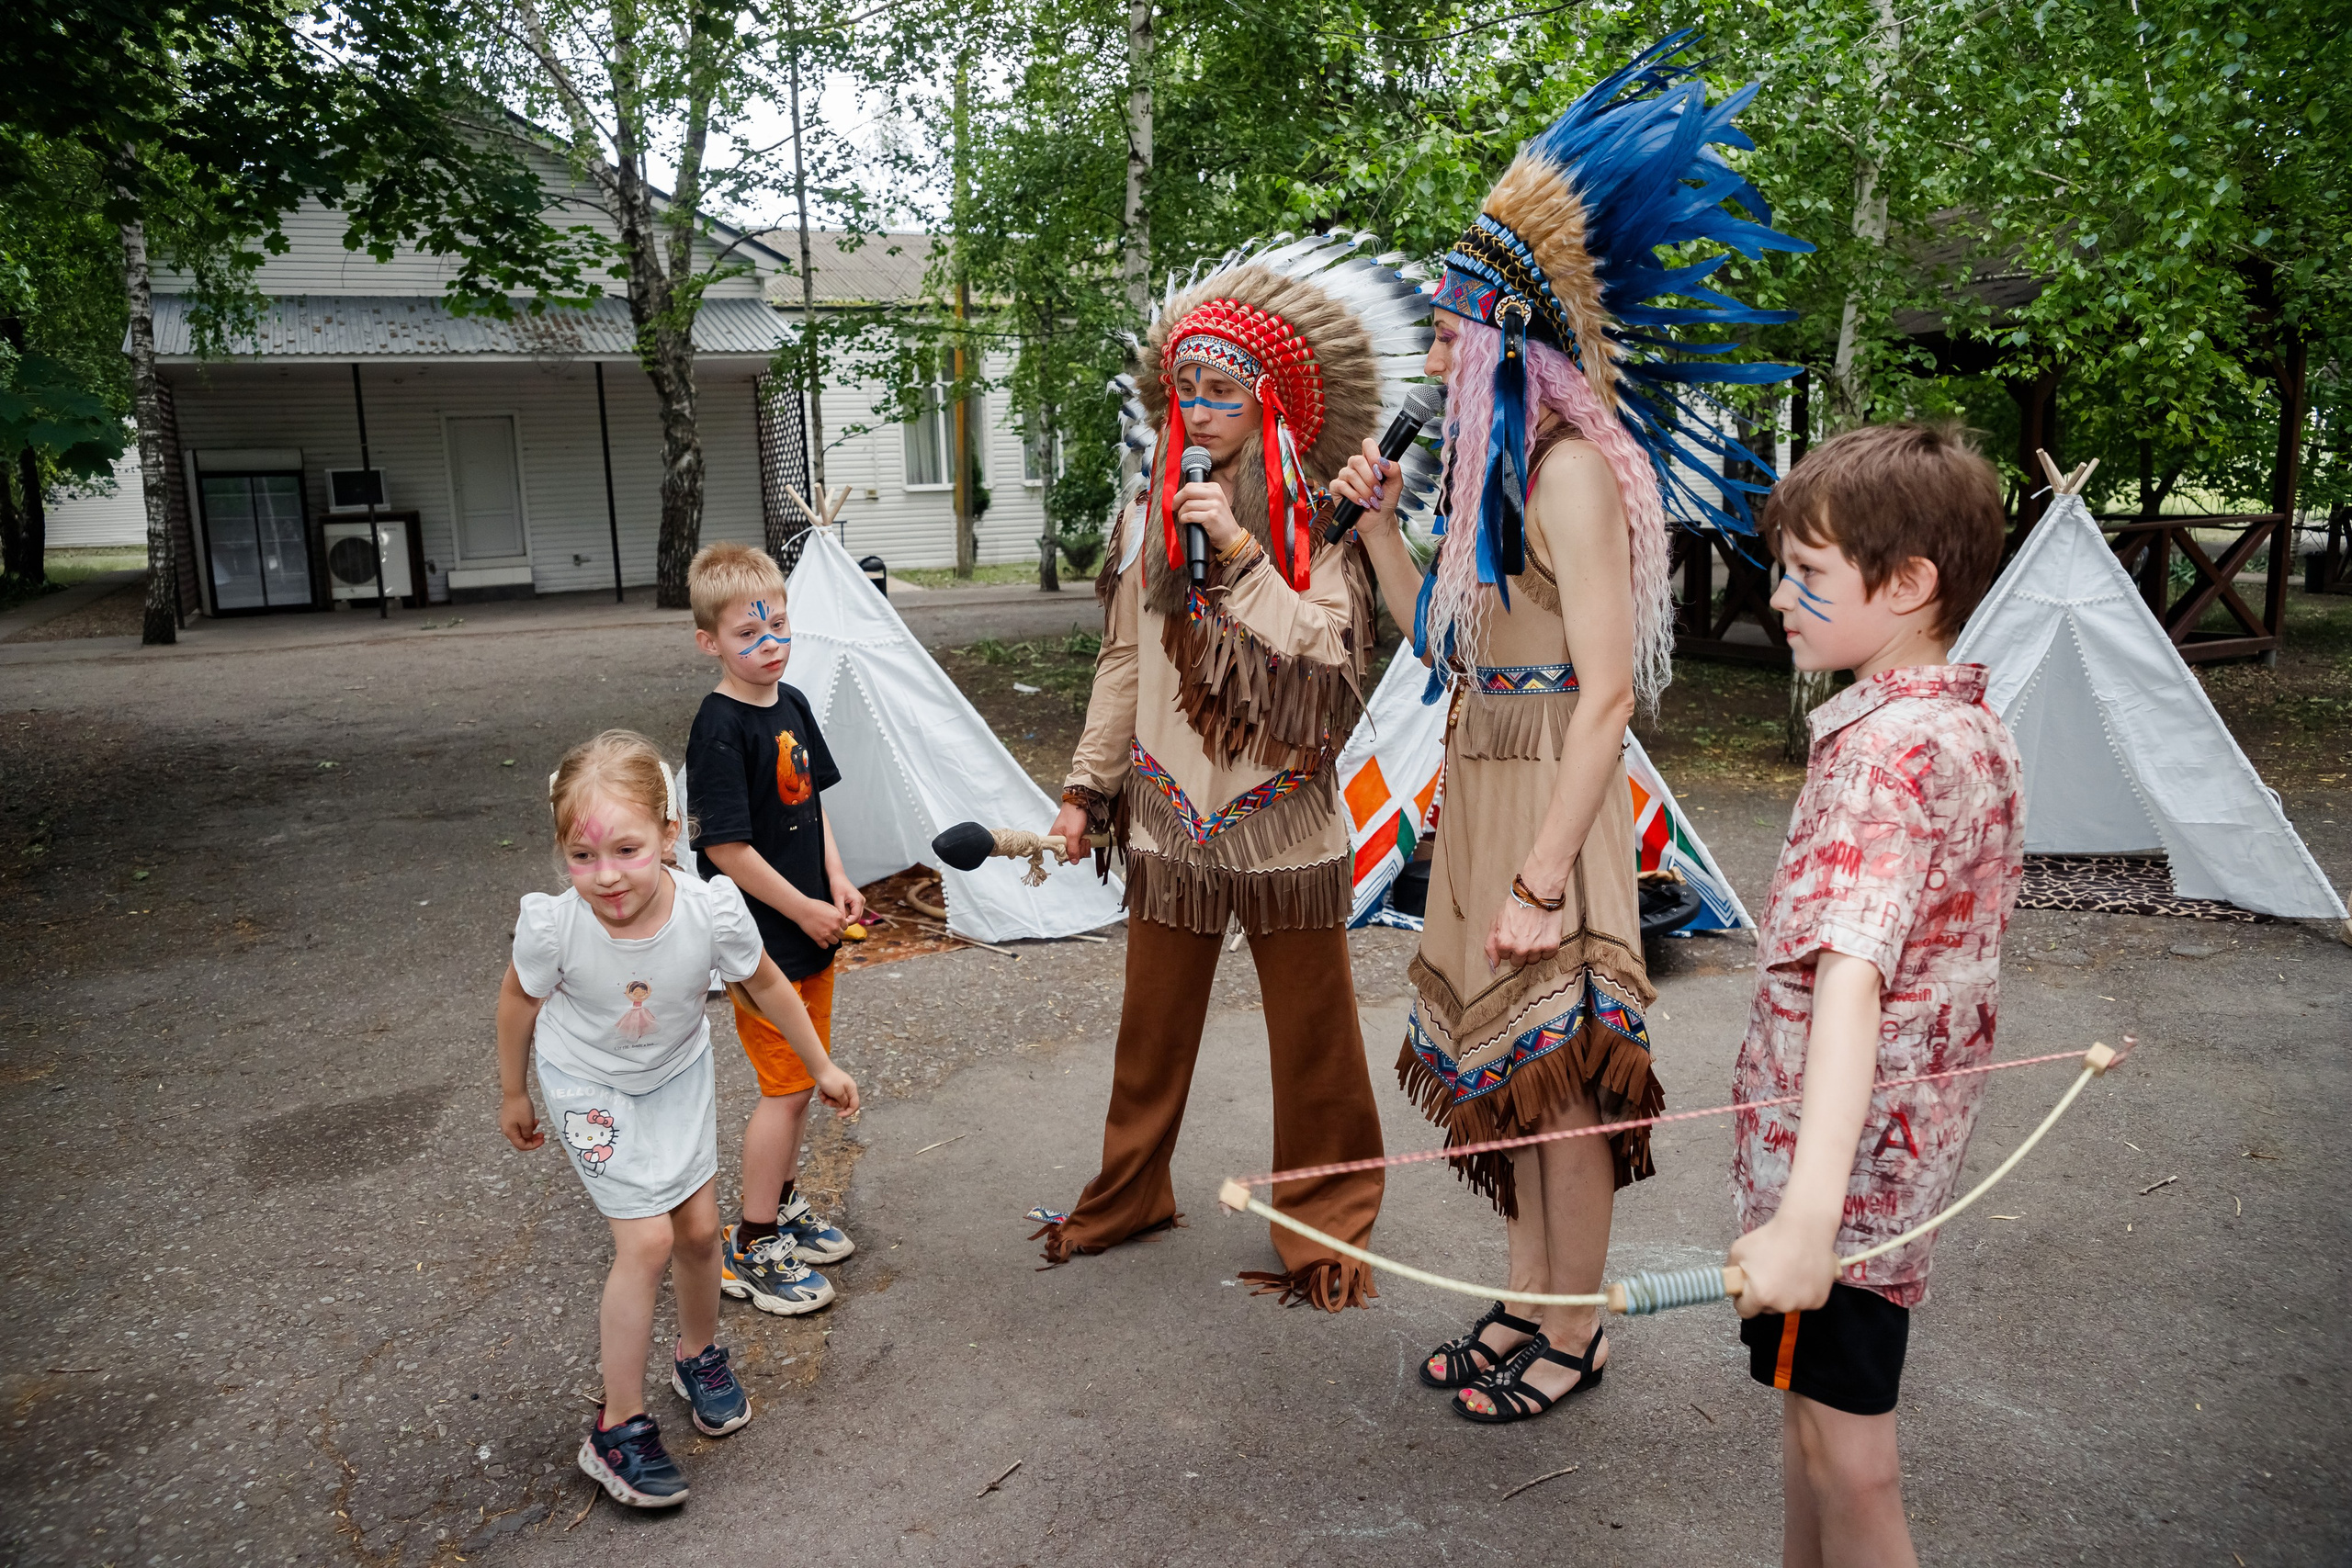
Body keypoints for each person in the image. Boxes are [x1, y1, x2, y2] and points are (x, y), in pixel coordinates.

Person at [1334, 35, 1811, 1420]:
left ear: (1501, 339)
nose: (1428, 352)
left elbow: (1607, 692)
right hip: (1485, 773)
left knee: (1571, 1081)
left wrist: (1546, 875)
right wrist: (1372, 525)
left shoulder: (1565, 477)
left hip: (1554, 793)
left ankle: (1577, 1326)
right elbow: (1441, 645)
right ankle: (1530, 1291)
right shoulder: (1487, 490)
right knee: (1521, 1076)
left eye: (1444, 328)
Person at [1036, 239, 1435, 1309]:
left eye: (1222, 392)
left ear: (1268, 411)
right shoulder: (1144, 518)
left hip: (1283, 825)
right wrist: (1087, 790)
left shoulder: (1326, 530)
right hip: (1167, 818)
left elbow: (1327, 651)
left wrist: (1242, 552)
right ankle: (1127, 1194)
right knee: (1147, 1035)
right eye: (1185, 392)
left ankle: (1326, 1224)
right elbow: (1124, 663)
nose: (1198, 412)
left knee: (1315, 1044)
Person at [1724, 423, 2021, 1568]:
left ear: (1907, 586)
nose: (1782, 596)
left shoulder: (1883, 756)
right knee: (1812, 1438)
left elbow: (1851, 976)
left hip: (1840, 1187)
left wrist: (1806, 1218)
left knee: (1849, 1461)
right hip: (1880, 1175)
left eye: (1809, 574)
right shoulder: (1956, 724)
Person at [496, 729, 859, 1508]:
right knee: (651, 1238)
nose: (607, 875)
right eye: (583, 856)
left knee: (699, 1232)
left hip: (674, 1075)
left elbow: (767, 984)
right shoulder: (557, 925)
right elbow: (519, 1000)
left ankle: (698, 1354)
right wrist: (513, 1091)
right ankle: (617, 1427)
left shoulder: (709, 910)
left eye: (626, 849)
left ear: (669, 834)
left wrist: (820, 1065)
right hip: (587, 1083)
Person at [682, 541, 865, 1318]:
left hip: (809, 929)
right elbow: (724, 851)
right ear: (709, 642)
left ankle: (781, 1204)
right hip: (758, 946)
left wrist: (838, 879)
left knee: (797, 1084)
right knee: (787, 1088)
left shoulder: (790, 703)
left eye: (780, 627)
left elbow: (812, 804)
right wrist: (799, 907)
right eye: (749, 635)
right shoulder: (718, 728)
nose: (770, 646)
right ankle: (751, 1243)